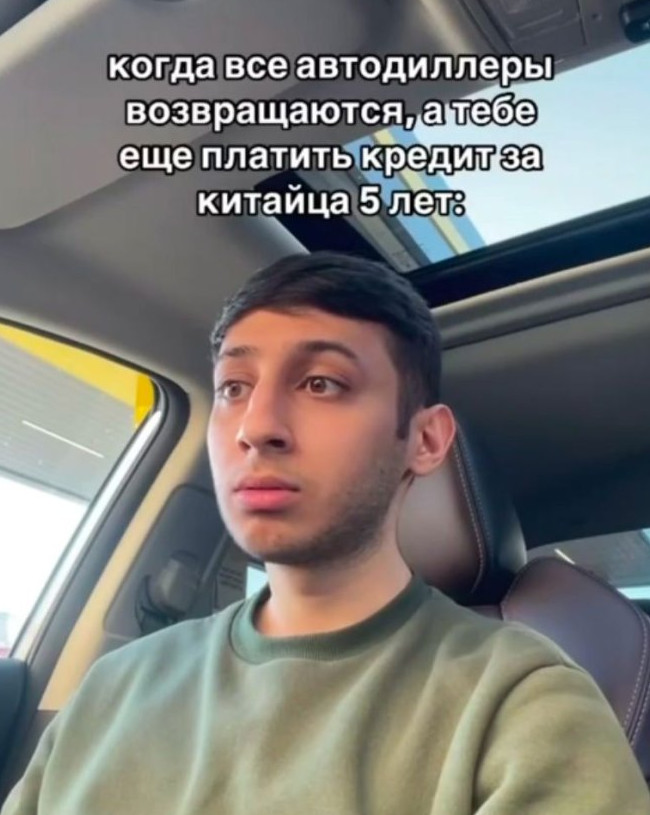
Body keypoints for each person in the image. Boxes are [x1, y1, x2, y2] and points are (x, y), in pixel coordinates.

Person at [2, 251, 649, 815]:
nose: (256, 427)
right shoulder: (113, 685)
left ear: (425, 440)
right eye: (233, 387)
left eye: (321, 383)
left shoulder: (525, 702)